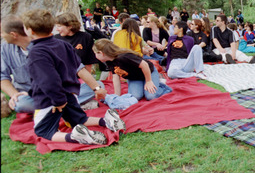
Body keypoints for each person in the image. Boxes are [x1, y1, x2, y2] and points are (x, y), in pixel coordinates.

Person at [21, 9, 124, 145]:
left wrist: (58, 101)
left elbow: (48, 80)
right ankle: (106, 120)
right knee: (79, 118)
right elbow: (77, 67)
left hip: (50, 98)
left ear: (31, 30)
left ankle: (76, 137)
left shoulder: (37, 52)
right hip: (70, 91)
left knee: (42, 131)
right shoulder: (62, 44)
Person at [1, 15, 106, 114]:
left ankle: (57, 107)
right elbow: (2, 77)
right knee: (21, 103)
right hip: (30, 96)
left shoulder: (53, 45)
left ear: (13, 35)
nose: (1, 35)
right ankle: (68, 106)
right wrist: (14, 94)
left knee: (98, 85)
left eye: (2, 33)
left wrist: (96, 88)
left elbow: (79, 68)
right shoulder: (5, 49)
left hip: (58, 92)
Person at [94, 39, 172, 101]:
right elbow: (115, 77)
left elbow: (144, 65)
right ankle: (148, 85)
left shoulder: (124, 56)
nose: (95, 56)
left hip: (148, 72)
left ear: (101, 53)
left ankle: (161, 86)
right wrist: (116, 95)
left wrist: (148, 81)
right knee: (136, 96)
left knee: (151, 96)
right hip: (134, 77)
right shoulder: (109, 61)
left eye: (95, 54)